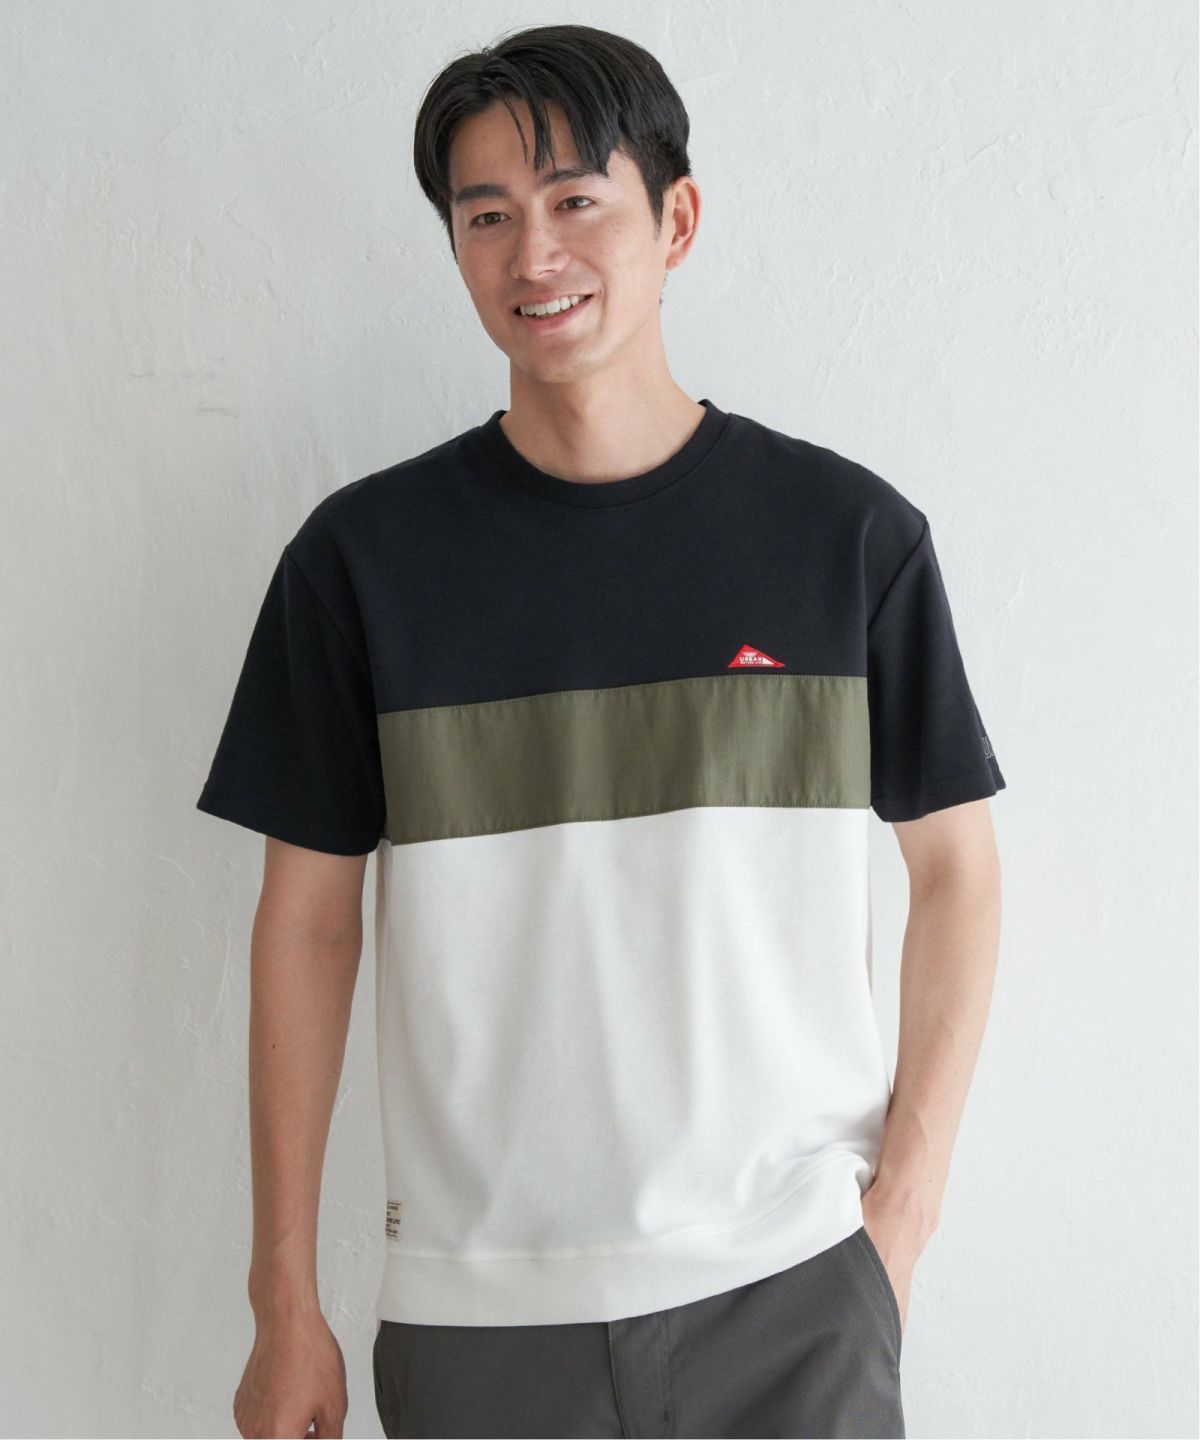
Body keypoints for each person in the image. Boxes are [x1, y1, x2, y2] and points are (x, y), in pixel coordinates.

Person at [196, 21, 1006, 1440]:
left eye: (576, 199)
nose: (534, 255)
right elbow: (307, 928)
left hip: (793, 1294)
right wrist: (282, 1298)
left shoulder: (845, 538)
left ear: (674, 218)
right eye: (487, 216)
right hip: (476, 1320)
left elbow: (960, 872)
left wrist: (901, 1219)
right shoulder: (361, 564)